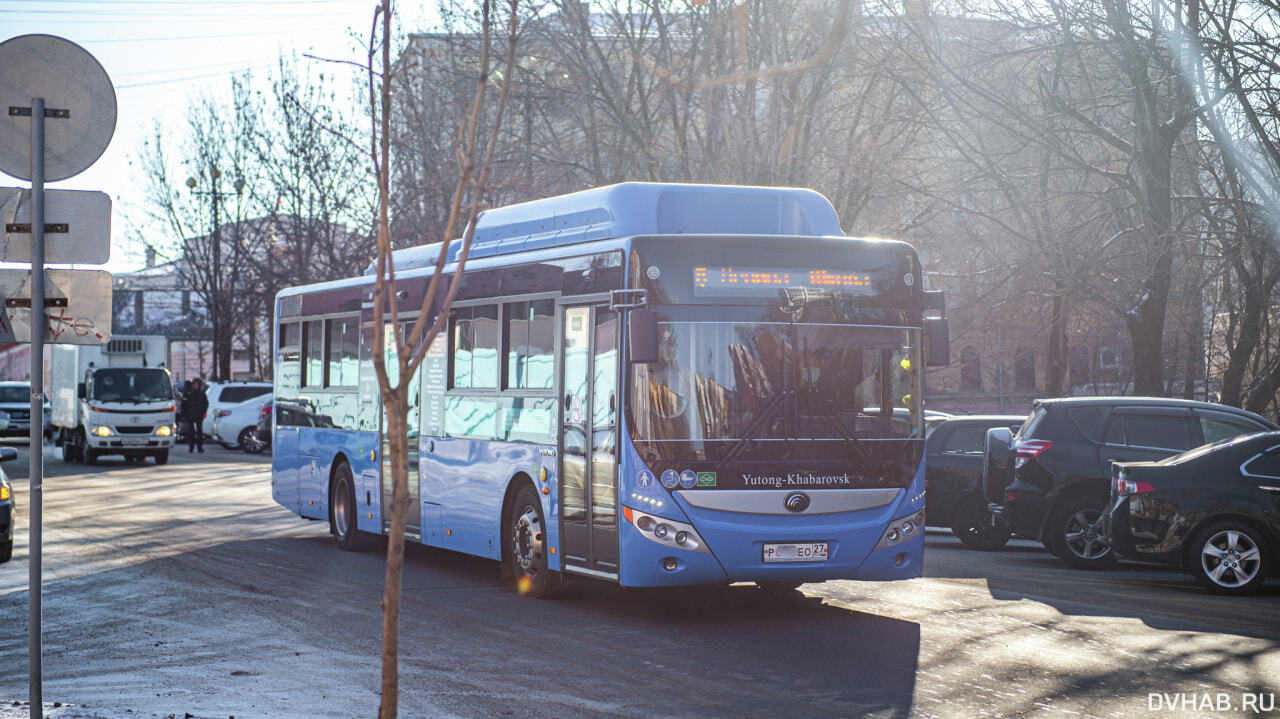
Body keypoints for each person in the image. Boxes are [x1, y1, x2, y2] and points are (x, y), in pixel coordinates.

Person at [180, 378, 209, 453]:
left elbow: (205, 404)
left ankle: (200, 447)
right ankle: (191, 447)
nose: (196, 385)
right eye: (195, 384)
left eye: (198, 384)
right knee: (191, 432)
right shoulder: (188, 393)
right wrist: (183, 415)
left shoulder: (202, 393)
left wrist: (203, 412)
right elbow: (184, 404)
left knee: (199, 432)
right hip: (190, 415)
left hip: (199, 415)